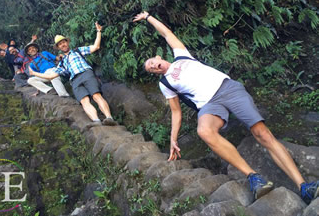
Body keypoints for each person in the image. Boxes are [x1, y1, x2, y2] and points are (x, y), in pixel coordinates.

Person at [133, 11, 318, 204]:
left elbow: (167, 34)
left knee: (262, 133)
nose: (154, 66)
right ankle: (254, 178)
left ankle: (304, 186)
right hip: (208, 104)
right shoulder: (166, 84)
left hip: (227, 88)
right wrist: (173, 139)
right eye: (151, 69)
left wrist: (148, 17)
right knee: (204, 131)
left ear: (159, 57)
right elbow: (176, 111)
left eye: (153, 62)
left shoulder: (181, 56)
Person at [28, 22, 117, 126]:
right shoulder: (62, 63)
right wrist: (34, 73)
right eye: (60, 44)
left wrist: (98, 31)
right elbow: (51, 76)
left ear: (67, 42)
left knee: (96, 96)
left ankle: (109, 118)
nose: (63, 45)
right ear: (58, 47)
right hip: (74, 80)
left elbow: (95, 47)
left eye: (63, 42)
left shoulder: (77, 51)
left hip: (86, 73)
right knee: (84, 101)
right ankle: (96, 121)